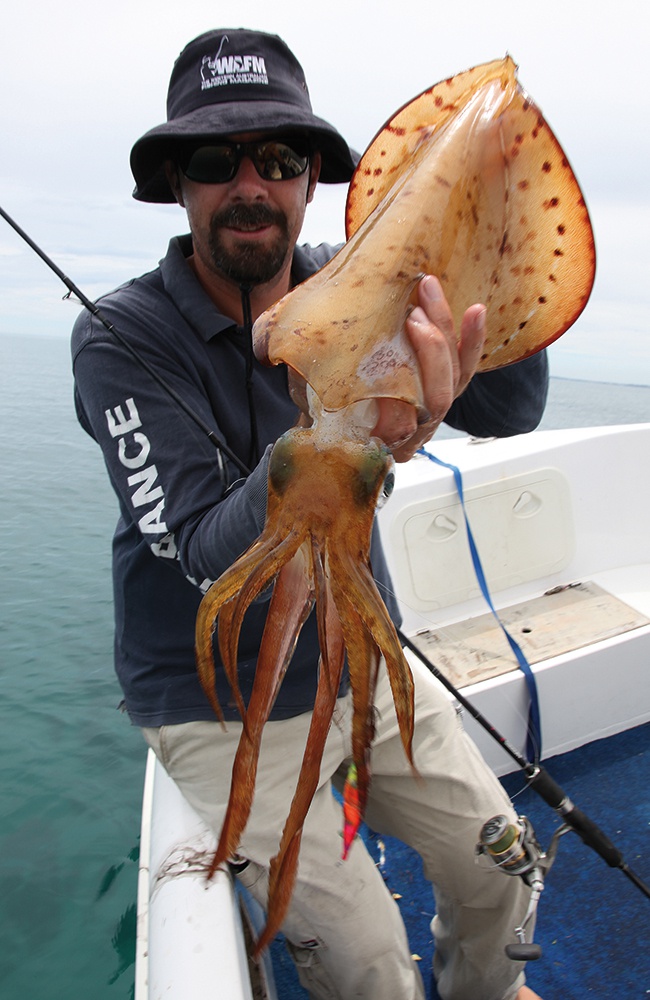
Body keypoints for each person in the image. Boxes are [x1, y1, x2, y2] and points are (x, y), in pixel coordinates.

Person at [71, 28, 549, 1000]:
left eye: (279, 158)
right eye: (215, 161)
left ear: (310, 179)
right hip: (219, 704)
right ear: (178, 182)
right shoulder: (121, 337)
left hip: (364, 668)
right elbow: (200, 547)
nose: (249, 183)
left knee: (504, 863)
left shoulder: (368, 283)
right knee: (370, 964)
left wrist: (478, 285)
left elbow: (509, 408)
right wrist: (337, 430)